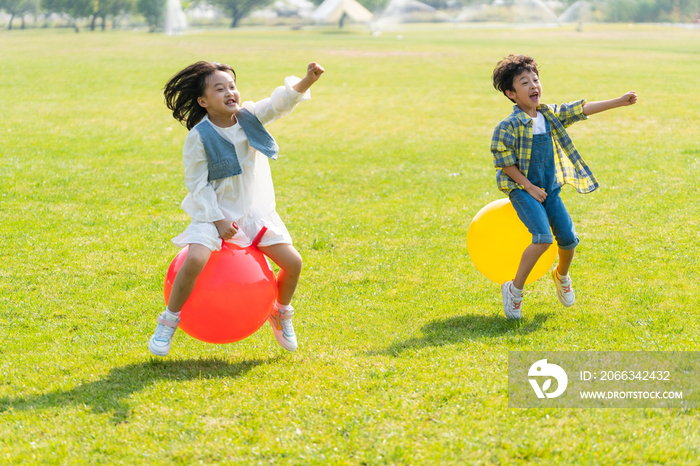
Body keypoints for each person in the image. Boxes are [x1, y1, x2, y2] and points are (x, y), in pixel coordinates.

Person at [149, 61, 324, 355]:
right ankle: (169, 321)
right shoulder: (199, 137)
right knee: (194, 261)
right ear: (203, 101)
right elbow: (198, 185)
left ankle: (280, 312)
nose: (230, 92)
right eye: (220, 89)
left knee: (293, 263)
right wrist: (217, 221)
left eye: (232, 86)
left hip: (252, 214)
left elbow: (279, 104)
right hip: (214, 213)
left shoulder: (249, 117)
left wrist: (307, 80)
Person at [490, 54, 636, 319]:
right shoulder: (508, 127)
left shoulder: (550, 115)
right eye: (524, 82)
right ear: (511, 93)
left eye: (535, 80)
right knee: (543, 238)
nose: (533, 85)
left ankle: (562, 275)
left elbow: (580, 109)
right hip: (522, 190)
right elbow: (504, 163)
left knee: (568, 239)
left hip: (550, 188)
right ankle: (514, 290)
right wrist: (529, 187)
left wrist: (619, 101)